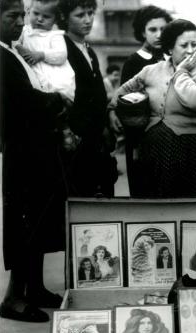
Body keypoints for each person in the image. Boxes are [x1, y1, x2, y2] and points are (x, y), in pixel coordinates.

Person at [0, 0, 68, 322]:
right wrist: (55, 100)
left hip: (37, 147)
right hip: (21, 150)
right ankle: (13, 296)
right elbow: (20, 102)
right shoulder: (0, 58)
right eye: (11, 16)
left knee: (39, 217)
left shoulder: (13, 51)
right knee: (23, 220)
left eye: (20, 15)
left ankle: (35, 287)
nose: (19, 22)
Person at [109, 18, 196, 198]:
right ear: (170, 48)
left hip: (191, 150)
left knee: (191, 207)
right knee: (158, 207)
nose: (190, 50)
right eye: (184, 45)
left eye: (194, 44)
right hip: (154, 150)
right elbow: (122, 91)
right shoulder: (151, 71)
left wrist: (181, 72)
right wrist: (112, 109)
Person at [58, 0, 117, 198]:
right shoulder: (60, 49)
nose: (88, 20)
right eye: (80, 15)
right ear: (64, 17)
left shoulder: (89, 50)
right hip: (76, 140)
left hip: (96, 138)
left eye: (91, 13)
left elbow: (98, 93)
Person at [118, 5, 173, 197]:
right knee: (145, 195)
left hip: (169, 139)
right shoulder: (133, 62)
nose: (159, 35)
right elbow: (126, 107)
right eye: (152, 29)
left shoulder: (171, 60)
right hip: (142, 141)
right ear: (142, 31)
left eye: (163, 30)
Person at [15, 0, 76, 102]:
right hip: (35, 75)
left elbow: (62, 54)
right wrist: (20, 48)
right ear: (29, 11)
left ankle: (64, 102)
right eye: (36, 13)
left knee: (61, 91)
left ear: (55, 20)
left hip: (55, 75)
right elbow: (14, 43)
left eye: (46, 16)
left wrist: (41, 55)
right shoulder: (24, 31)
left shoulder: (55, 35)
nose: (39, 19)